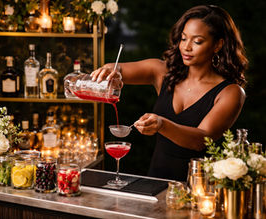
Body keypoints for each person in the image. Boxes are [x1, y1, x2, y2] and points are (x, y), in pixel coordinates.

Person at [91, 5, 248, 181]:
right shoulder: (161, 71)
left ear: (218, 45)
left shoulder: (230, 92)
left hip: (198, 187)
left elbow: (201, 140)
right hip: (155, 181)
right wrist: (110, 73)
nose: (186, 47)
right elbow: (117, 68)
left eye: (197, 41)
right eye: (183, 38)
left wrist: (162, 124)